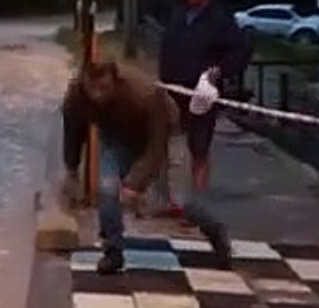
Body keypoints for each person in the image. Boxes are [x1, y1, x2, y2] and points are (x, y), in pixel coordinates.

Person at [62, 60, 232, 274]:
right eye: (92, 89)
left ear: (116, 82)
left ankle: (215, 231)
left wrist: (135, 182)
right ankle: (112, 251)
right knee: (107, 188)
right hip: (118, 137)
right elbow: (73, 132)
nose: (97, 95)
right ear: (84, 83)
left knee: (179, 200)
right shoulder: (76, 96)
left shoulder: (145, 94)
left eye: (104, 88)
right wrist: (72, 169)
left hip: (166, 131)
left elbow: (156, 145)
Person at [157, 0, 250, 209]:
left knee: (199, 148)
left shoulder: (220, 19)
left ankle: (197, 206)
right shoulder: (177, 15)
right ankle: (171, 202)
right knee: (169, 146)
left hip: (202, 94)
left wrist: (219, 71)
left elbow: (240, 53)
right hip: (172, 91)